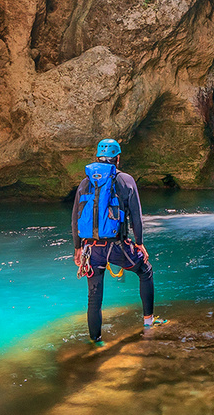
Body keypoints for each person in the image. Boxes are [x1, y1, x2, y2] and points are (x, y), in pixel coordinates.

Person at [71, 138, 165, 344]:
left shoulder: (85, 182)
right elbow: (136, 216)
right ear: (117, 158)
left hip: (91, 248)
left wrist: (78, 248)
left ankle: (95, 341)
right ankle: (149, 322)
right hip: (117, 246)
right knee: (145, 271)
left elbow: (75, 217)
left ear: (97, 157)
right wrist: (139, 243)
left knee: (94, 298)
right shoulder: (126, 180)